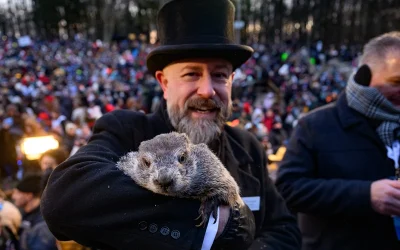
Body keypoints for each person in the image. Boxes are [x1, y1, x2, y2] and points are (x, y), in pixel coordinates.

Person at [41, 1, 301, 250]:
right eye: (192, 74)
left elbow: (284, 230)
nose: (208, 90)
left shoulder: (248, 146)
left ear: (232, 81)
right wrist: (216, 229)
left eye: (220, 75)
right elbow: (63, 201)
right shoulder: (126, 130)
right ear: (164, 83)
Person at [275, 31, 400, 250]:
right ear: (365, 76)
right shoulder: (315, 125)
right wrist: (365, 195)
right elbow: (288, 189)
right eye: (396, 81)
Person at [12, 175, 57, 250]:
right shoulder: (27, 214)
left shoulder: (42, 225)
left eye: (17, 193)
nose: (13, 196)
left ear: (28, 196)